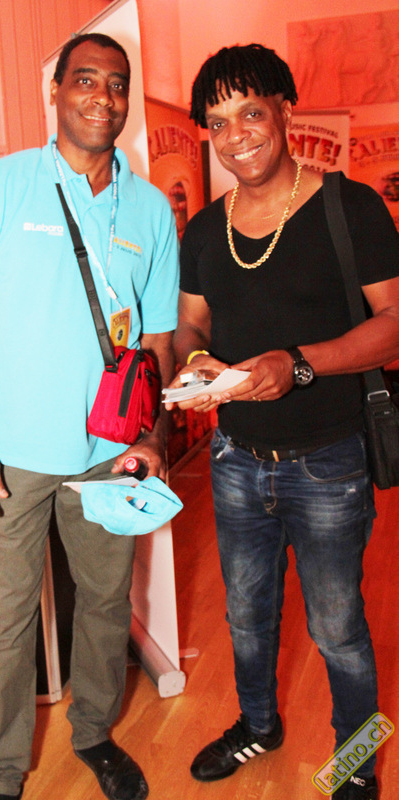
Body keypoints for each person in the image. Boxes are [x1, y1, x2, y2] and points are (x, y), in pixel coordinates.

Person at [0, 33, 179, 800]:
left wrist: (152, 435)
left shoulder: (151, 210)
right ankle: (3, 773)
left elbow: (158, 340)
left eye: (117, 84)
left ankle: (95, 733)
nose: (103, 97)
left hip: (108, 454)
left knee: (106, 603)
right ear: (56, 90)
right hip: (7, 453)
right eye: (85, 80)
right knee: (6, 616)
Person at [165, 43, 399, 800]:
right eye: (217, 123)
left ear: (285, 111)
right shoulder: (206, 230)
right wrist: (197, 363)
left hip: (329, 463)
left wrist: (296, 363)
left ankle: (357, 766)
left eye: (250, 112)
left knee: (339, 628)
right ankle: (259, 726)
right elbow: (191, 326)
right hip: (236, 461)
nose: (235, 135)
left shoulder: (349, 208)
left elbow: (394, 324)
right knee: (245, 616)